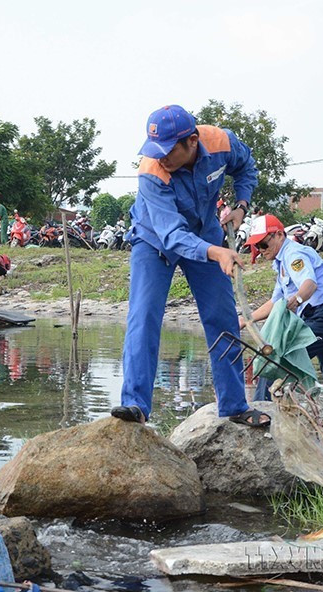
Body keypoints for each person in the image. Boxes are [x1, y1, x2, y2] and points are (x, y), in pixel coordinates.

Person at [111, 104, 269, 428]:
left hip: (205, 231)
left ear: (192, 141)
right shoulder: (151, 171)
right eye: (156, 150)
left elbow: (246, 167)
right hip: (154, 239)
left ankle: (235, 405)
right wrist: (217, 252)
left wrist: (241, 205)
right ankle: (136, 406)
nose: (162, 157)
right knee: (144, 316)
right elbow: (170, 234)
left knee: (222, 316)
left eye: (168, 150)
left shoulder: (222, 142)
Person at [245, 214, 323, 425]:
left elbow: (309, 283)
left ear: (278, 235)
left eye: (263, 243)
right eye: (256, 246)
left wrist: (298, 299)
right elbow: (276, 302)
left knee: (276, 360)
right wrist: (245, 320)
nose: (261, 250)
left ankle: (262, 416)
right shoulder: (281, 263)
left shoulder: (293, 253)